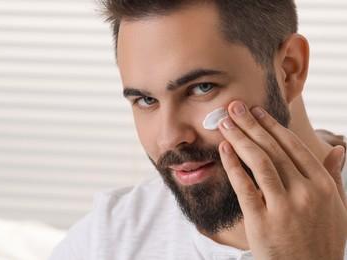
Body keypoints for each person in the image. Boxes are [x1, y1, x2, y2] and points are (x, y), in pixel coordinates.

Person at [50, 0, 347, 259]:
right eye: (146, 100)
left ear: (289, 70)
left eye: (201, 88)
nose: (169, 137)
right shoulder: (107, 238)